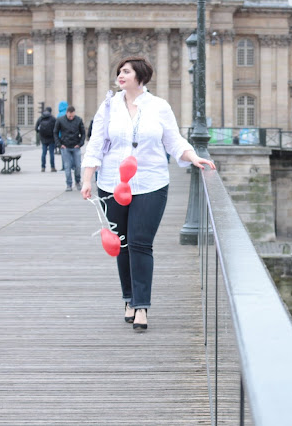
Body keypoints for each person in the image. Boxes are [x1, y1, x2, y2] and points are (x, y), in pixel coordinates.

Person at [80, 56, 215, 331]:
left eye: (126, 71)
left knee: (141, 242)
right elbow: (96, 144)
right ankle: (128, 299)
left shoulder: (159, 107)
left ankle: (141, 306)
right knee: (122, 245)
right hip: (112, 184)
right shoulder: (108, 106)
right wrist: (86, 179)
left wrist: (194, 157)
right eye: (119, 71)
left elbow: (174, 140)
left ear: (140, 76)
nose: (120, 75)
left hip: (150, 183)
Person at [54, 105, 85, 191]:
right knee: (67, 167)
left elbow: (83, 133)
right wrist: (59, 144)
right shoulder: (60, 120)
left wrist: (80, 143)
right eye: (69, 116)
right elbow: (55, 132)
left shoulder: (78, 120)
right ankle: (69, 184)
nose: (71, 117)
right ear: (67, 113)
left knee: (78, 166)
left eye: (72, 116)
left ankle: (78, 181)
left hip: (75, 146)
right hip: (65, 146)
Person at [35, 106, 57, 172]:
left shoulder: (41, 118)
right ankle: (52, 167)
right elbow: (56, 128)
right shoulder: (53, 118)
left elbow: (36, 128)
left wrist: (40, 133)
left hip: (43, 138)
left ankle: (43, 167)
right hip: (51, 138)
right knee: (51, 153)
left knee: (44, 153)